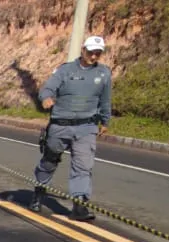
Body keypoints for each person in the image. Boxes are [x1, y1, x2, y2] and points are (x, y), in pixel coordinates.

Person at [30, 35, 112, 221]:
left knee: (83, 167)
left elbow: (105, 100)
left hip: (86, 127)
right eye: (91, 52)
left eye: (98, 53)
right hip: (60, 126)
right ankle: (39, 192)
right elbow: (48, 88)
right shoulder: (64, 70)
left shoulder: (104, 73)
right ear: (83, 50)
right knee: (49, 161)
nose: (94, 56)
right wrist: (46, 98)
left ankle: (79, 206)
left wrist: (105, 121)